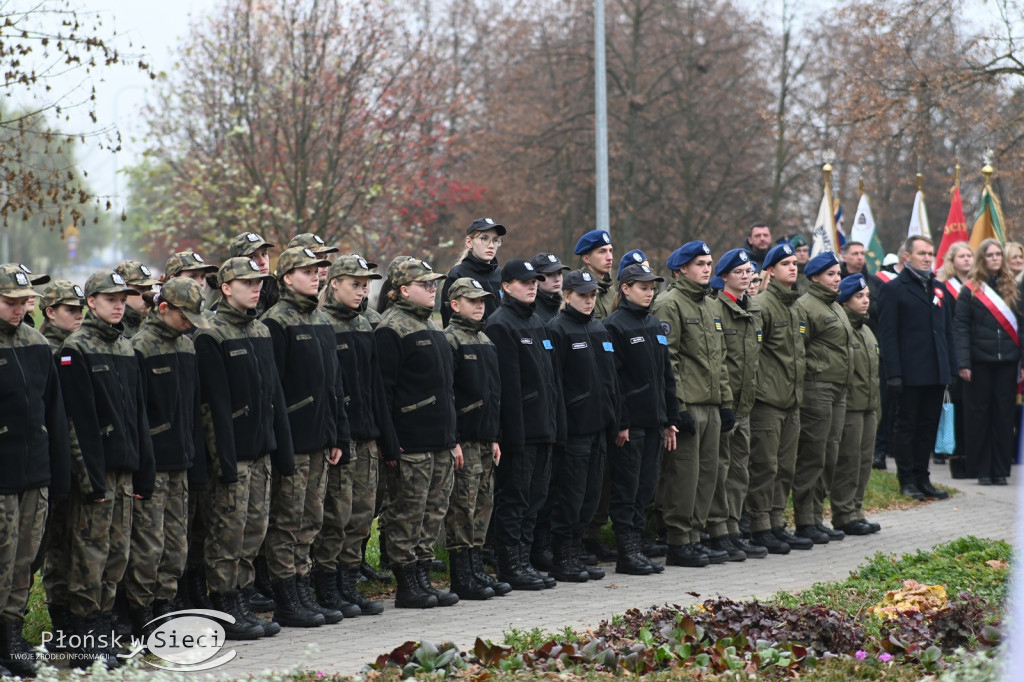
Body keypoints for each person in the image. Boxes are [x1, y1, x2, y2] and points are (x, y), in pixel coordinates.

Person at [56, 269, 155, 668]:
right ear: (90, 302)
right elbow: (77, 422)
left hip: (125, 471)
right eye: (109, 298)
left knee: (116, 557)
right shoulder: (75, 349)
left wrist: (144, 468)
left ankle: (103, 631)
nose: (118, 304)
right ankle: (83, 641)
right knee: (90, 558)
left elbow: (138, 415)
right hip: (96, 475)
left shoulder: (127, 348)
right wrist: (90, 477)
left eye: (123, 298)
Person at [195, 257, 294, 638]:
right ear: (225, 287)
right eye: (247, 282)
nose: (256, 288)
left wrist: (279, 449)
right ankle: (224, 603)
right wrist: (225, 462)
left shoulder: (260, 331)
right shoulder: (210, 333)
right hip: (233, 455)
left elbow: (274, 395)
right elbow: (212, 407)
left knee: (254, 530)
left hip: (261, 451)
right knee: (227, 533)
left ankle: (241, 595)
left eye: (259, 283)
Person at [262, 247, 351, 627]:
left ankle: (302, 588)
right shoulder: (276, 322)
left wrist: (337, 434)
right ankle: (286, 597)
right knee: (288, 520)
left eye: (318, 271)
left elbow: (333, 385)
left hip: (320, 437)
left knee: (311, 519)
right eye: (306, 271)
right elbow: (274, 391)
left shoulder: (320, 319)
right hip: (294, 439)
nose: (315, 276)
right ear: (286, 278)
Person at [124, 279, 208, 634]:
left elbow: (193, 409)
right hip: (154, 464)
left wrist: (197, 460)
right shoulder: (138, 347)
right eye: (183, 316)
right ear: (163, 309)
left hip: (182, 463)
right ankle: (141, 612)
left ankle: (166, 605)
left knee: (176, 544)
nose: (189, 323)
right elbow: (135, 414)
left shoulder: (187, 346)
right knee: (149, 544)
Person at [375, 257, 459, 608]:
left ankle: (423, 575)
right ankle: (407, 582)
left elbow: (446, 389)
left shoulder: (433, 326)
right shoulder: (390, 328)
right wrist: (392, 445)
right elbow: (383, 393)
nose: (432, 288)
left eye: (433, 283)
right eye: (424, 284)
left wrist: (452, 439)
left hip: (439, 439)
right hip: (411, 442)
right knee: (406, 512)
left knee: (432, 512)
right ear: (402, 290)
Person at [0, 265, 70, 677]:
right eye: (9, 302)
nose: (18, 309)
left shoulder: (37, 343)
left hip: (35, 474)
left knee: (25, 562)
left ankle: (12, 636)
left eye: (23, 301)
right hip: (3, 476)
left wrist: (58, 473)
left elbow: (54, 414)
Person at [312, 254, 392, 615]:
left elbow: (376, 385)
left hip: (367, 435)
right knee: (335, 517)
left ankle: (348, 583)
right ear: (334, 284)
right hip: (340, 439)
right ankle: (327, 587)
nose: (362, 291)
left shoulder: (364, 325)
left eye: (366, 285)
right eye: (355, 284)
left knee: (361, 516)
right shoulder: (322, 323)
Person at [651, 241, 732, 568]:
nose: (706, 268)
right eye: (699, 263)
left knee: (707, 474)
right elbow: (669, 362)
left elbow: (720, 359)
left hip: (711, 403)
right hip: (690, 404)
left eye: (709, 262)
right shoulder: (670, 304)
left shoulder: (711, 305)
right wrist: (678, 407)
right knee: (684, 474)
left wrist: (726, 402)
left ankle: (695, 536)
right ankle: (678, 539)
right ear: (681, 268)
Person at [484, 259, 560, 590]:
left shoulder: (538, 322)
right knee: (515, 499)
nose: (532, 286)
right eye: (524, 281)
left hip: (543, 428)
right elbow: (507, 389)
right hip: (521, 432)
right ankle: (510, 564)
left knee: (535, 498)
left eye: (534, 281)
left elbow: (550, 380)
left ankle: (524, 560)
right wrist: (511, 436)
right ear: (506, 286)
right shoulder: (501, 325)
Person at [603, 264, 680, 575]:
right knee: (627, 488)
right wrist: (621, 421)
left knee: (645, 488)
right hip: (630, 424)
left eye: (652, 288)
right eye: (643, 287)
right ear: (625, 289)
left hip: (653, 421)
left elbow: (666, 376)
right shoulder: (615, 326)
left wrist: (669, 418)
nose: (649, 292)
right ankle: (627, 552)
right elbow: (613, 381)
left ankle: (638, 548)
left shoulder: (653, 324)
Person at [545, 269, 618, 582]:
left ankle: (577, 553)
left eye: (592, 296)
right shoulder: (557, 330)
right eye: (582, 296)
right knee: (570, 496)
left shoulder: (599, 328)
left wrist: (615, 420)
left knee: (589, 496)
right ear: (567, 296)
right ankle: (563, 557)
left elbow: (611, 379)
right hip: (574, 429)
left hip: (599, 427)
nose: (588, 301)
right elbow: (554, 385)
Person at [442, 277, 508, 600]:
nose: (480, 306)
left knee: (484, 503)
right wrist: (452, 439)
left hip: (485, 439)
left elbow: (494, 394)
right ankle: (461, 574)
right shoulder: (450, 341)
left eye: (482, 301)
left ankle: (476, 566)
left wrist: (494, 436)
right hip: (464, 440)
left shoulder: (485, 340)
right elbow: (448, 396)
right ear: (455, 305)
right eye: (472, 301)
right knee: (462, 507)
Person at [877, 236, 955, 501]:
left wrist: (949, 368)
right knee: (906, 426)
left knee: (928, 426)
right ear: (906, 257)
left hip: (935, 371)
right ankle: (907, 479)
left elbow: (946, 332)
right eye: (921, 253)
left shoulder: (938, 288)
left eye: (930, 253)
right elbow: (888, 336)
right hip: (909, 373)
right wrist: (894, 374)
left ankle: (924, 478)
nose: (927, 258)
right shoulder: (894, 289)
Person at [746, 243, 811, 554]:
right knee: (765, 466)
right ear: (769, 271)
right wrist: (759, 392)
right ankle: (759, 526)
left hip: (791, 401)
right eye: (784, 263)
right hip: (768, 402)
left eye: (794, 262)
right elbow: (752, 356)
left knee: (785, 467)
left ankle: (775, 523)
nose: (793, 267)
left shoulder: (795, 307)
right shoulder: (762, 306)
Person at [705, 250, 767, 561]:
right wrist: (727, 402)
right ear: (725, 276)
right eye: (739, 271)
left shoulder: (753, 310)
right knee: (720, 468)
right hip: (723, 404)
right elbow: (719, 363)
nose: (746, 276)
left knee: (740, 470)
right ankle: (718, 531)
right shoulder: (716, 309)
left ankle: (733, 529)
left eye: (749, 271)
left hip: (745, 405)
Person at [793, 251, 854, 544]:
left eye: (838, 274)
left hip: (838, 389)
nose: (837, 279)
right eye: (831, 274)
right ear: (815, 277)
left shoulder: (836, 307)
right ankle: (805, 520)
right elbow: (799, 351)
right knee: (812, 454)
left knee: (829, 456)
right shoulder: (806, 306)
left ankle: (817, 517)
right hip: (816, 389)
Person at [954, 239, 1022, 485]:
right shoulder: (970, 290)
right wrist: (963, 362)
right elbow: (960, 328)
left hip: (1007, 362)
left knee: (1003, 416)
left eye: (998, 254)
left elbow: (1021, 329)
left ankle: (1000, 469)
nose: (994, 258)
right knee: (978, 415)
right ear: (981, 259)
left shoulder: (1014, 289)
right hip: (978, 362)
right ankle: (982, 469)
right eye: (989, 255)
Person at [833, 274, 882, 535]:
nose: (865, 302)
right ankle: (843, 514)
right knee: (848, 461)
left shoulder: (867, 330)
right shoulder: (843, 329)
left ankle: (857, 510)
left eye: (867, 297)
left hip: (868, 406)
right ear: (845, 300)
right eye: (859, 297)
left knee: (864, 461)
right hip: (850, 406)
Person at [935, 241, 973, 468]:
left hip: (972, 351)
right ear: (952, 260)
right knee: (951, 401)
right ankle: (945, 447)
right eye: (962, 256)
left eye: (970, 255)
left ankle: (966, 447)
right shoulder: (944, 286)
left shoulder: (979, 286)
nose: (967, 259)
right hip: (951, 349)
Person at [440, 218, 506, 326]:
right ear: (469, 242)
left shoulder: (502, 274)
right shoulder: (457, 275)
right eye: (484, 238)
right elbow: (449, 321)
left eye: (495, 240)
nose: (491, 245)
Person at [227, 232, 278, 315]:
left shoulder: (280, 289)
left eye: (264, 254)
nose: (262, 262)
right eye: (252, 257)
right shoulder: (230, 302)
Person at [574, 229, 615, 320]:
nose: (610, 257)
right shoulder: (578, 290)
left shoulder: (610, 290)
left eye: (610, 251)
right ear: (586, 258)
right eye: (602, 252)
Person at [114, 260, 161, 338]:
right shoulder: (113, 327)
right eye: (141, 289)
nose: (147, 295)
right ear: (121, 291)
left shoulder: (149, 324)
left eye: (150, 289)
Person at [39, 280, 86, 350]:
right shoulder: (45, 350)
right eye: (71, 310)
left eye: (81, 309)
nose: (80, 316)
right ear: (50, 313)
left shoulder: (80, 344)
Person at [531, 253, 571, 323]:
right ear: (536, 279)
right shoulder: (531, 310)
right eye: (549, 274)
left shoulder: (566, 305)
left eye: (559, 273)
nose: (557, 279)